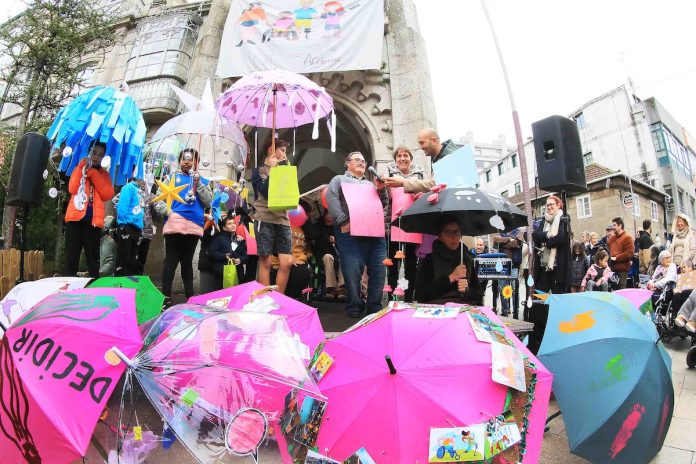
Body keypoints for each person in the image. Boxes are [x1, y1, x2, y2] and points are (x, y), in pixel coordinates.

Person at [326, 151, 388, 317]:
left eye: (363, 161)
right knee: (352, 271)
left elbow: (383, 203)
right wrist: (343, 222)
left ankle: (374, 306)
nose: (362, 162)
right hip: (350, 234)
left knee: (379, 270)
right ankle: (354, 305)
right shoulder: (338, 180)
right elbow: (332, 199)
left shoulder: (370, 184)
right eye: (357, 160)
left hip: (375, 234)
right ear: (347, 163)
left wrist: (381, 189)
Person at [155, 148, 213, 305]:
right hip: (175, 223)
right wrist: (169, 213)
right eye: (184, 158)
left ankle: (190, 298)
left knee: (187, 262)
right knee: (171, 261)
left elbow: (209, 202)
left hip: (194, 226)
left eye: (191, 159)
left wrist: (198, 183)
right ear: (179, 161)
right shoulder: (171, 178)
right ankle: (165, 298)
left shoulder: (203, 181)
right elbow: (159, 198)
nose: (187, 162)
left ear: (197, 163)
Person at [63, 140, 115, 278]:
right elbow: (72, 189)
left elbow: (107, 194)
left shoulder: (104, 175)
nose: (97, 157)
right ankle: (68, 286)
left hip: (93, 222)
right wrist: (82, 168)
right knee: (71, 257)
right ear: (89, 152)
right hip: (75, 220)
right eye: (94, 153)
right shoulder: (79, 168)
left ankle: (94, 286)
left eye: (101, 155)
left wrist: (93, 173)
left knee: (93, 259)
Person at [251, 138, 293, 294]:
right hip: (264, 218)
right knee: (266, 261)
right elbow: (264, 190)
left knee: (287, 262)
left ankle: (278, 298)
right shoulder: (260, 170)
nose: (285, 154)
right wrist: (274, 170)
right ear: (271, 149)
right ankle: (265, 298)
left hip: (283, 219)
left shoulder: (284, 169)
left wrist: (283, 168)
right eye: (282, 150)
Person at [529, 195, 569, 353]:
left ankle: (557, 334)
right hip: (544, 268)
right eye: (547, 205)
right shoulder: (543, 220)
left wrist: (547, 241)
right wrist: (547, 235)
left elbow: (561, 239)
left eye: (552, 204)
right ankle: (538, 337)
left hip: (557, 268)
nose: (549, 207)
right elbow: (535, 236)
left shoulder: (564, 219)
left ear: (559, 205)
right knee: (540, 301)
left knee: (557, 302)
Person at [414, 216, 483, 305]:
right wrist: (450, 278)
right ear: (440, 236)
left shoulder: (466, 258)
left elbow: (479, 294)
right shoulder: (430, 259)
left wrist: (468, 290)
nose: (453, 237)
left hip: (464, 307)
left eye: (456, 232)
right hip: (438, 307)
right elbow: (421, 295)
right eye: (448, 232)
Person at [385, 146, 424, 302]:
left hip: (413, 225)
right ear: (395, 160)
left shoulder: (420, 175)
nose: (402, 158)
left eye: (406, 155)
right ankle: (392, 297)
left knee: (410, 265)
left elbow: (425, 195)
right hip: (394, 225)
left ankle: (408, 298)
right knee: (393, 264)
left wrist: (420, 195)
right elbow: (385, 198)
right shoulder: (389, 175)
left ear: (411, 159)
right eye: (399, 156)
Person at [381, 128, 457, 193]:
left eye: (422, 143)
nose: (420, 147)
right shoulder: (439, 158)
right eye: (399, 156)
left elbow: (435, 184)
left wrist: (403, 183)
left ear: (434, 141)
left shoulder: (449, 157)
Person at [303, 209, 345, 301]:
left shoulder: (338, 228)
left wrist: (336, 241)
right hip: (323, 256)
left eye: (331, 214)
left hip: (337, 255)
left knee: (344, 258)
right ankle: (331, 288)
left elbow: (343, 245)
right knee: (327, 257)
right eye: (327, 214)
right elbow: (316, 243)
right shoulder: (318, 227)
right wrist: (326, 239)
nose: (328, 217)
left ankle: (341, 288)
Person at [114, 178, 144, 276]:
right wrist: (122, 224)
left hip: (137, 227)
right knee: (124, 256)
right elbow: (123, 205)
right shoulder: (128, 187)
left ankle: (129, 279)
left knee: (132, 258)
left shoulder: (139, 190)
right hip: (127, 225)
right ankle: (120, 280)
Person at [209, 216, 248, 290]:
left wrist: (240, 260)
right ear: (224, 228)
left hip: (237, 273)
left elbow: (246, 255)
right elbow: (211, 253)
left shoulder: (239, 239)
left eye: (233, 223)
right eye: (229, 224)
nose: (233, 225)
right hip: (222, 273)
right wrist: (224, 256)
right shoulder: (218, 238)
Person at [607, 217, 634, 289]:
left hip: (622, 270)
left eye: (614, 225)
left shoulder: (627, 237)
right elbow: (607, 249)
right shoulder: (612, 238)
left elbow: (629, 253)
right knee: (613, 290)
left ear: (620, 226)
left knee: (621, 290)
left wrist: (616, 258)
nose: (613, 227)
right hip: (612, 269)